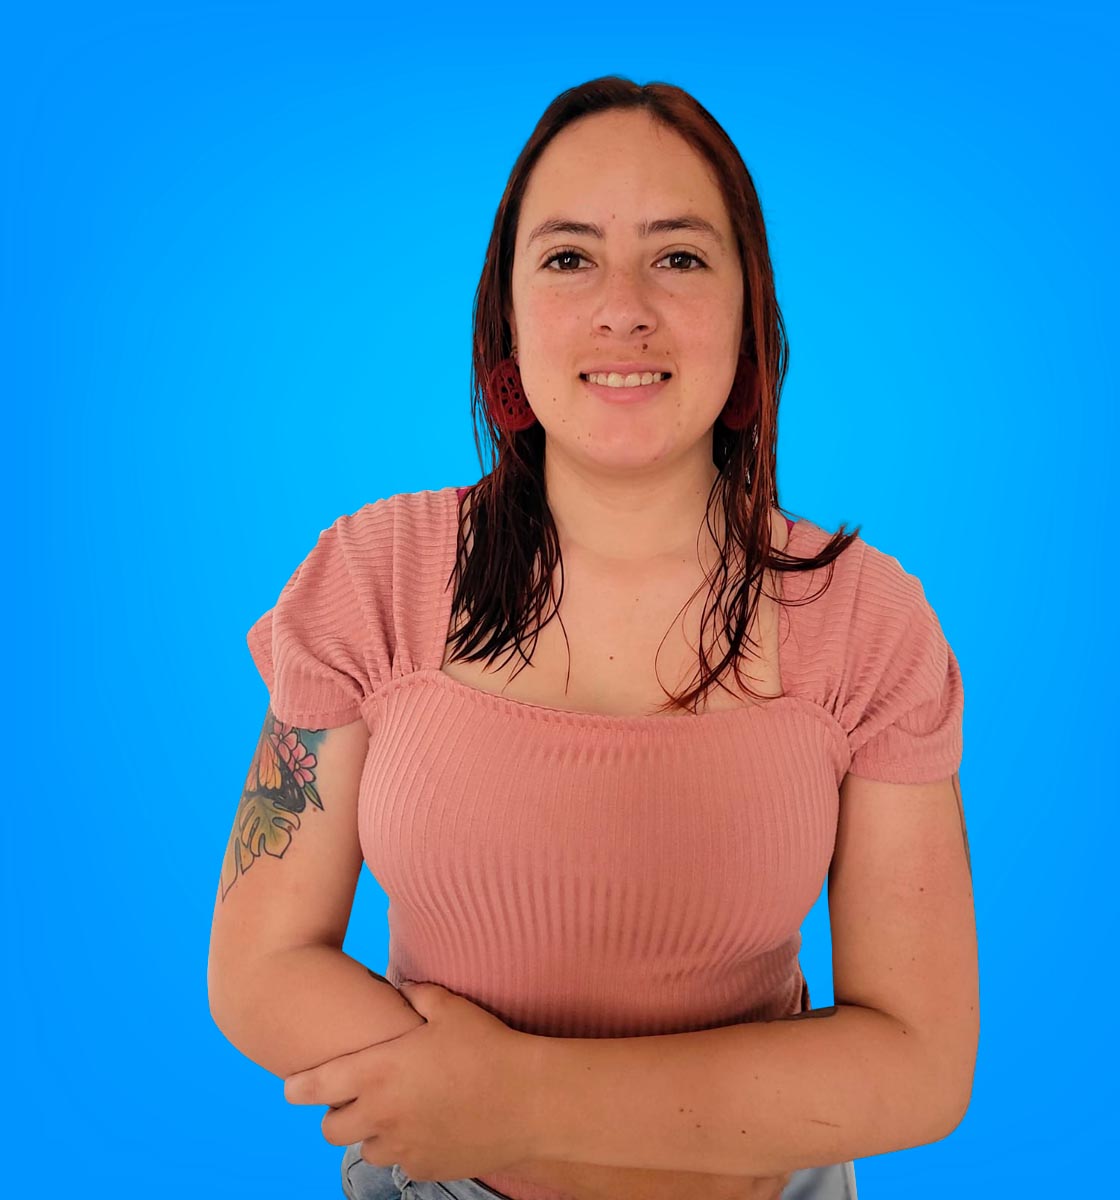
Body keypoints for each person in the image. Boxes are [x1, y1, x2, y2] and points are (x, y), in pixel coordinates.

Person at [209, 75, 977, 1200]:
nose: (625, 308)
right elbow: (260, 963)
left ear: (749, 320)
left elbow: (919, 1064)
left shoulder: (867, 619)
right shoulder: (374, 571)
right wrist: (473, 1120)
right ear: (507, 322)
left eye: (680, 257)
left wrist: (515, 1103)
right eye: (569, 257)